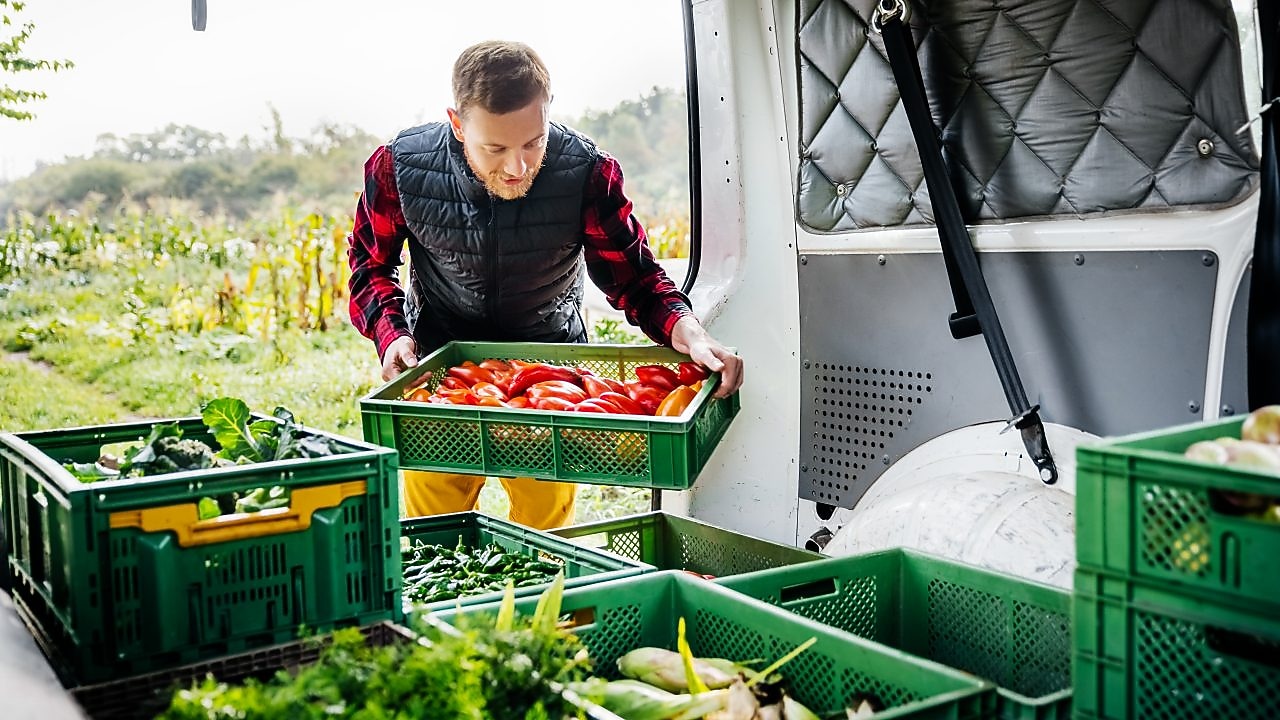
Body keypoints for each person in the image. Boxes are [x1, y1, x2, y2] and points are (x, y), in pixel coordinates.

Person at [347, 40, 743, 530]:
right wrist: (393, 335)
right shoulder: (397, 168)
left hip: (552, 381)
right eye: (495, 148)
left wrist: (691, 331)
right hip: (442, 378)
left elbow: (636, 280)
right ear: (457, 123)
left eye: (534, 142)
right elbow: (369, 268)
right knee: (434, 536)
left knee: (545, 535)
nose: (518, 167)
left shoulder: (587, 172)